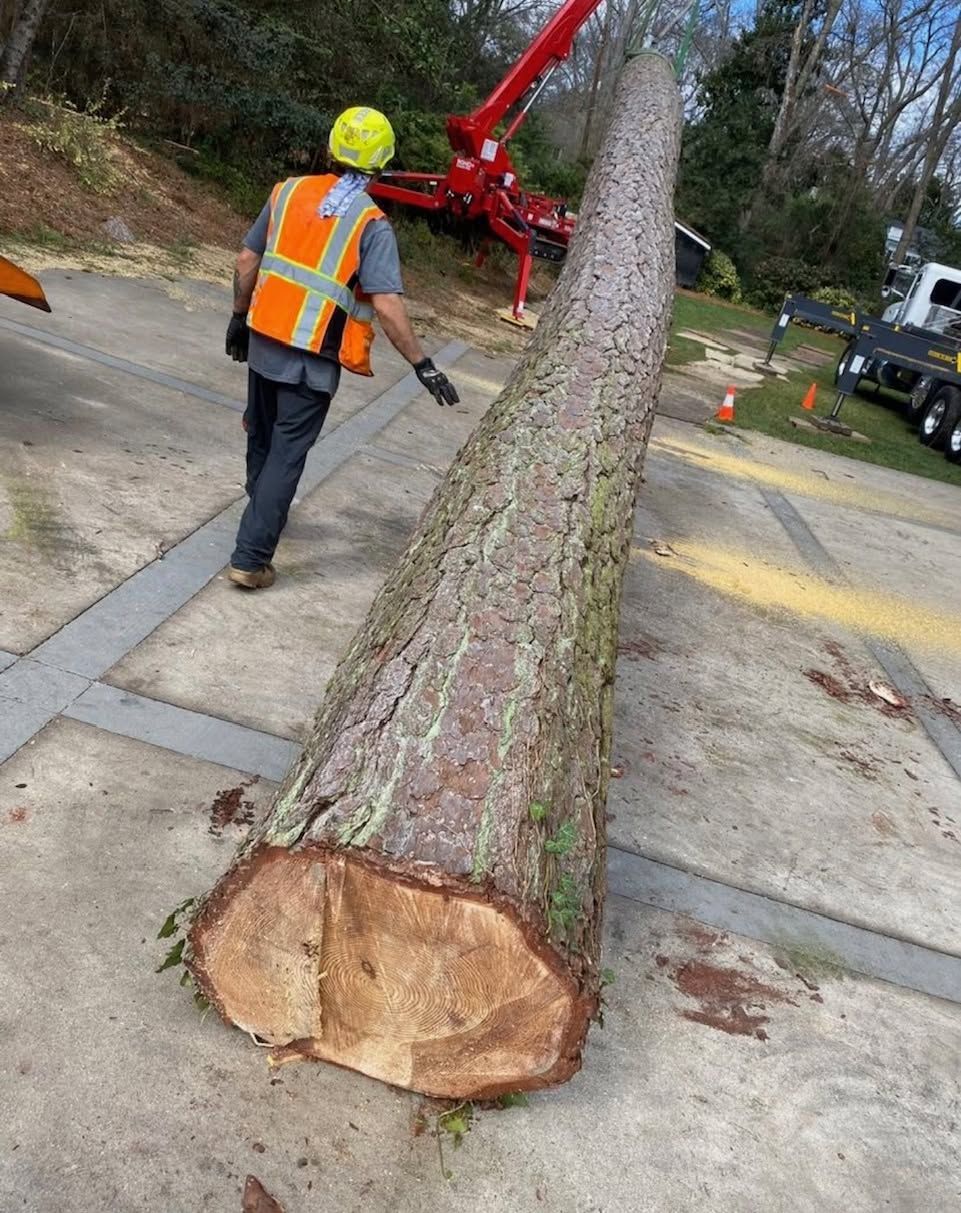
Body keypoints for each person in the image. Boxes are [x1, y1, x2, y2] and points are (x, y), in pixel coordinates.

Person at [224, 105, 460, 589]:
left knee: (262, 439)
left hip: (264, 342)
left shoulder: (286, 193)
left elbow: (247, 258)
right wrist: (423, 364)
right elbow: (389, 307)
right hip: (310, 361)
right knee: (286, 455)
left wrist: (237, 317)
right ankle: (250, 557)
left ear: (331, 147)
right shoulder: (372, 225)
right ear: (382, 165)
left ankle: (260, 513)